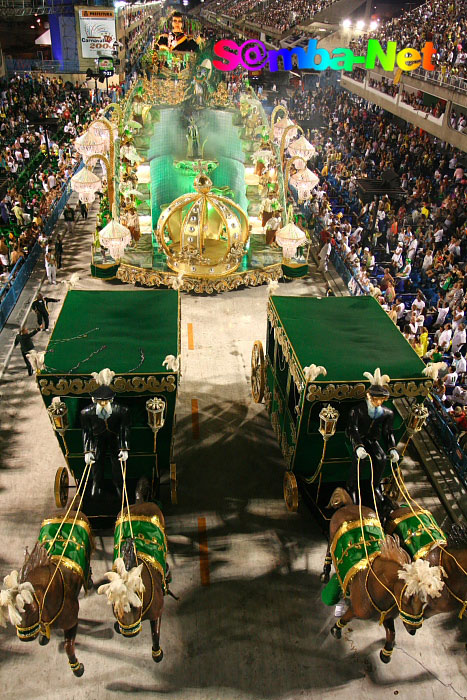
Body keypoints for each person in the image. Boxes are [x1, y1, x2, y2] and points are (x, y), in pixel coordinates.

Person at [346, 368, 399, 504]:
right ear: (369, 397)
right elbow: (353, 428)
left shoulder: (387, 413)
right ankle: (352, 487)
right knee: (359, 459)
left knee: (381, 458)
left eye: (382, 400)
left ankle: (375, 486)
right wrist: (358, 446)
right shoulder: (357, 410)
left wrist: (392, 448)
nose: (379, 402)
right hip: (357, 439)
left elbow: (388, 432)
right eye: (377, 399)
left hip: (372, 439)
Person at [80, 384, 130, 498]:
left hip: (114, 437)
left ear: (112, 399)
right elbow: (86, 431)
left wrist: (124, 448)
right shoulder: (86, 413)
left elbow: (124, 429)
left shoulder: (122, 411)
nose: (103, 404)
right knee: (96, 461)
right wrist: (88, 451)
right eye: (100, 401)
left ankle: (119, 484)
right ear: (93, 400)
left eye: (106, 401)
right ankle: (96, 484)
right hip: (98, 437)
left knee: (117, 462)